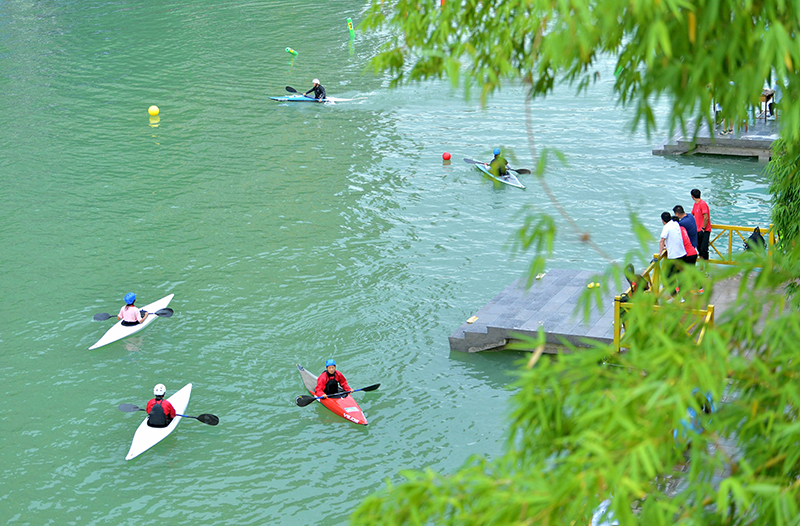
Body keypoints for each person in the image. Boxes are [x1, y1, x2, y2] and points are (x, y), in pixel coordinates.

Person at [659, 211, 686, 299]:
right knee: (680, 275)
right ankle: (681, 296)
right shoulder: (675, 224)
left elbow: (662, 240)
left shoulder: (666, 227)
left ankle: (674, 295)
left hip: (674, 256)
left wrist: (660, 254)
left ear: (663, 221)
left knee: (667, 277)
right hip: (682, 253)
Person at [690, 189, 711, 261]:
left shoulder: (702, 204)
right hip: (697, 229)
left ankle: (706, 265)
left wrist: (703, 228)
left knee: (704, 249)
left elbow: (706, 217)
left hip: (704, 230)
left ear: (692, 196)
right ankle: (702, 267)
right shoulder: (695, 204)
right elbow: (692, 214)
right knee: (699, 248)